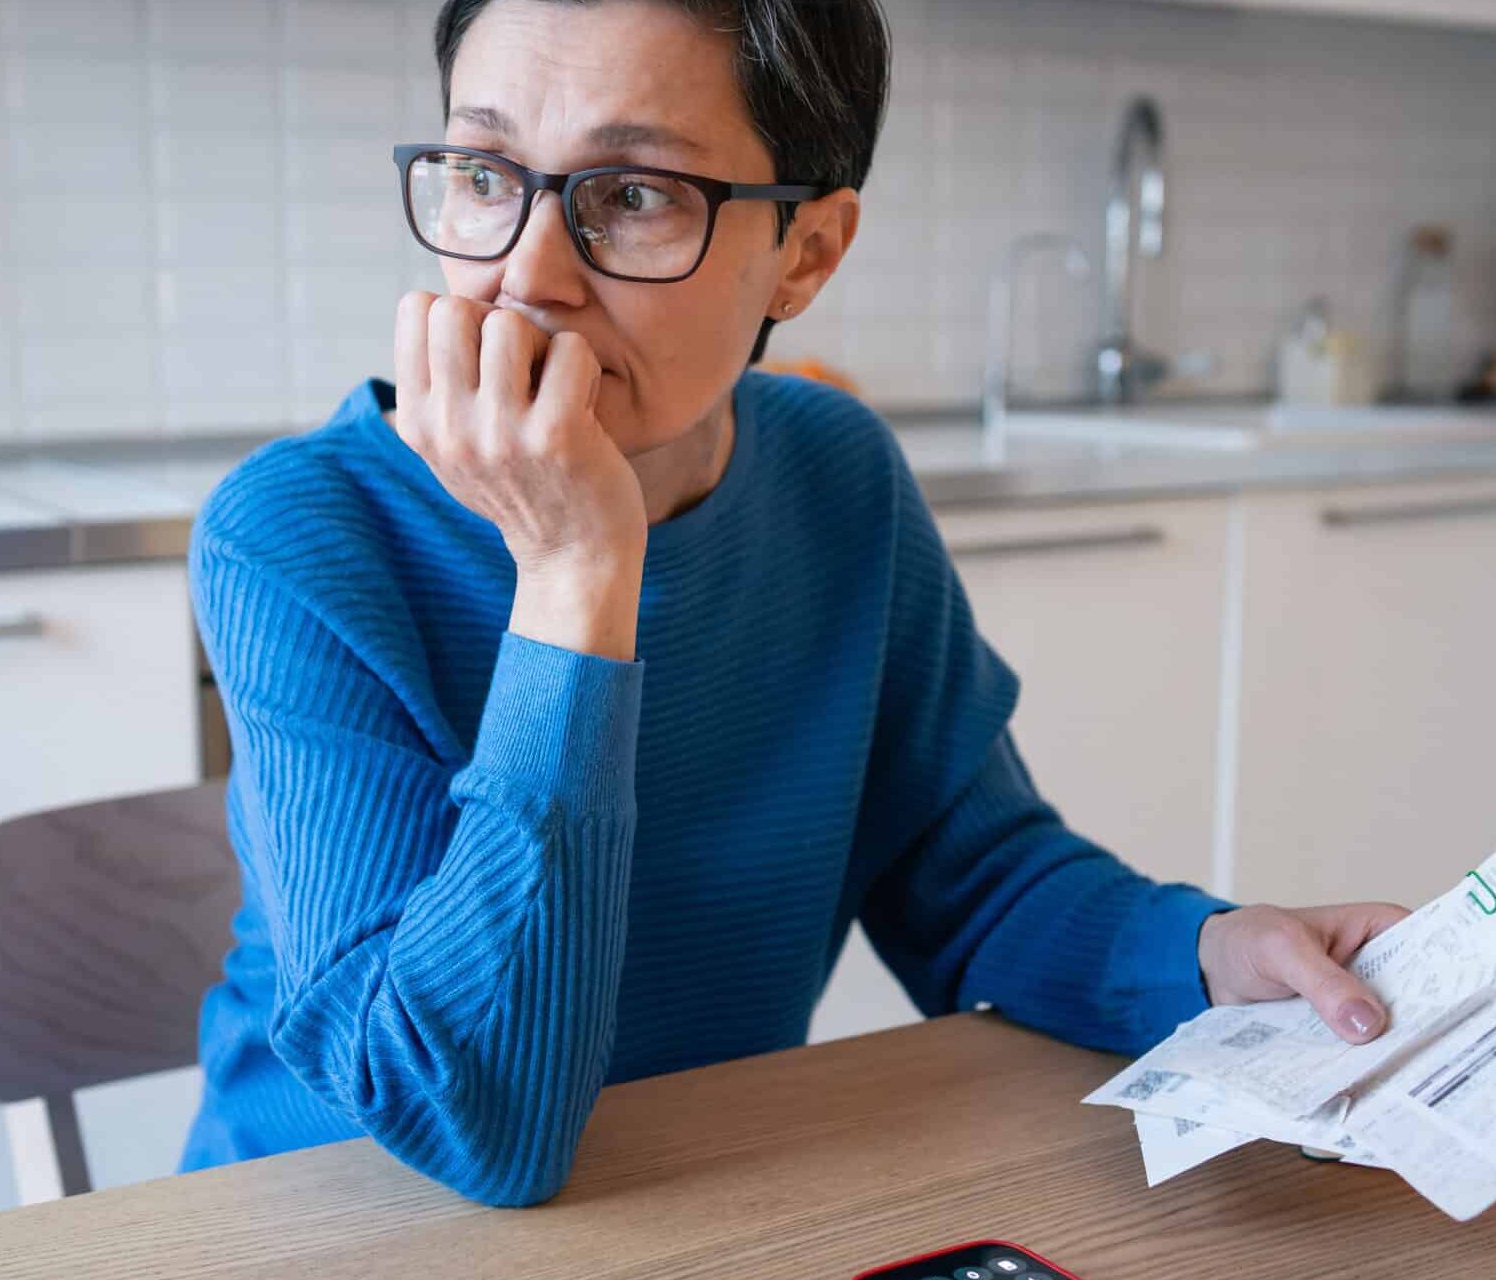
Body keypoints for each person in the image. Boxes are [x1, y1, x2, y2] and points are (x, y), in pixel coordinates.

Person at [179, 0, 1407, 1207]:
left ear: (807, 252)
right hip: (334, 1225)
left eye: (636, 193)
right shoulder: (298, 532)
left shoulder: (835, 474)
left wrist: (1203, 953)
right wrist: (573, 573)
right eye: (486, 174)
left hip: (704, 1201)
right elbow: (472, 1117)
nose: (526, 277)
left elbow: (970, 877)